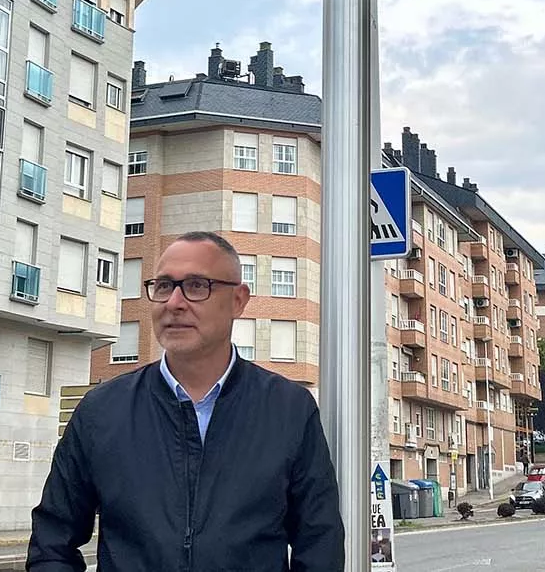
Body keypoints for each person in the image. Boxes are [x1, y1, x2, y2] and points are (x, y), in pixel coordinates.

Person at [27, 231, 345, 571]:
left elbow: (320, 545)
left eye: (196, 285)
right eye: (163, 286)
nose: (174, 303)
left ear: (239, 300)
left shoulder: (289, 410)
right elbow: (51, 544)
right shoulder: (101, 412)